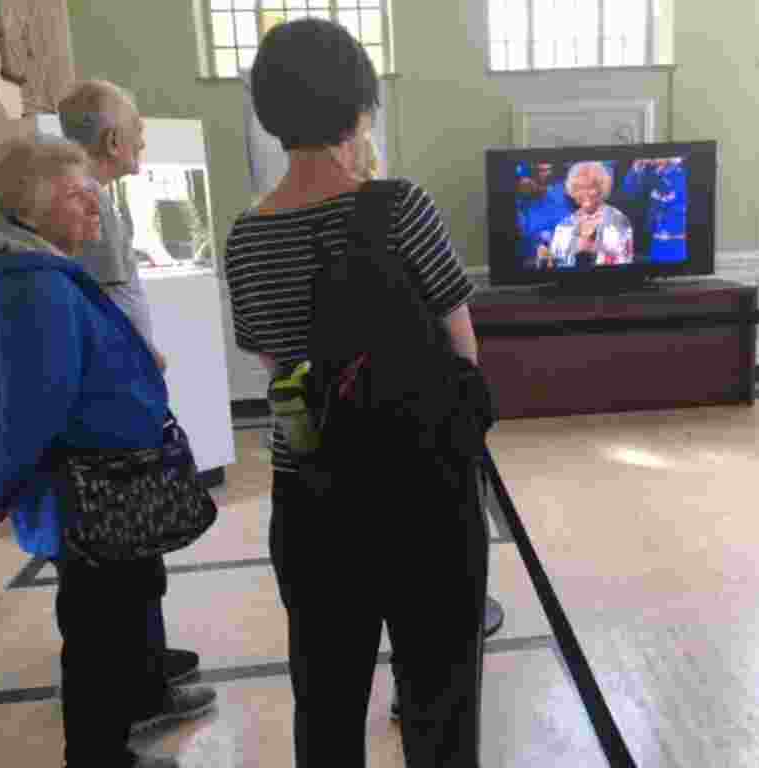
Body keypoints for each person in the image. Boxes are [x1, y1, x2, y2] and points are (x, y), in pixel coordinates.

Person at [224, 18, 489, 766]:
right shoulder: (400, 207)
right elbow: (463, 354)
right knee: (440, 694)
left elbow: (286, 374)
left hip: (313, 492)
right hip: (424, 485)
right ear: (360, 107)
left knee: (327, 693)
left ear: (270, 113)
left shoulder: (246, 237)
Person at [0, 136, 184, 767]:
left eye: (92, 197)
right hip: (86, 499)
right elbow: (32, 410)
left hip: (102, 492)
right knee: (99, 638)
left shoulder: (42, 276)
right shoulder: (34, 289)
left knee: (114, 623)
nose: (94, 212)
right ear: (34, 206)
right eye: (79, 198)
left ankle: (116, 741)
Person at [55, 79, 216, 736]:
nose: (144, 136)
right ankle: (140, 685)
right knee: (125, 556)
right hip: (112, 414)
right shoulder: (84, 203)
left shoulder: (98, 199)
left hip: (126, 401)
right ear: (114, 140)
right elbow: (101, 310)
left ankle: (146, 660)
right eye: (137, 127)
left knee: (138, 551)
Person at [540, 161, 633, 269]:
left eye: (591, 187)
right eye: (579, 188)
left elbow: (625, 263)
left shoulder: (619, 221)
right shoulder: (564, 225)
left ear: (601, 188)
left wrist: (595, 252)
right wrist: (547, 260)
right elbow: (557, 265)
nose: (585, 193)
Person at [515, 160, 571, 268]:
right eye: (540, 171)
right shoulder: (522, 204)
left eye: (548, 170)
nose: (546, 174)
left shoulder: (563, 191)